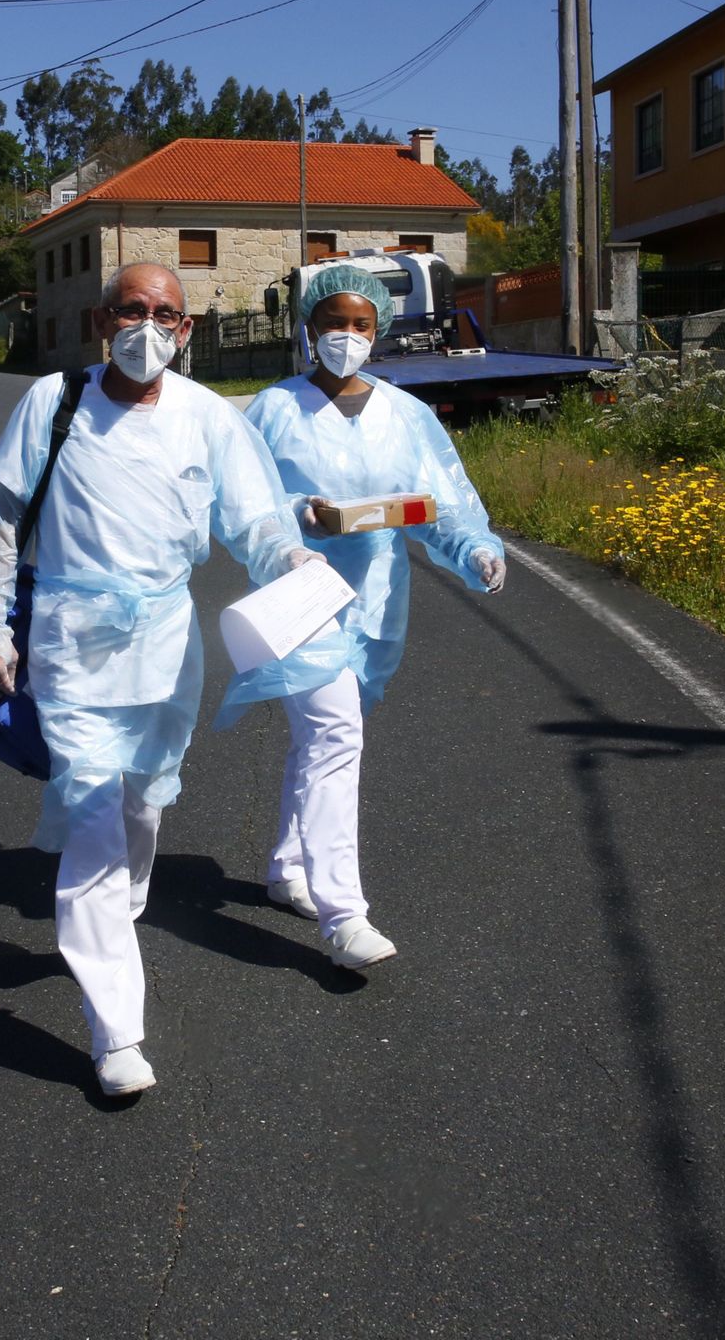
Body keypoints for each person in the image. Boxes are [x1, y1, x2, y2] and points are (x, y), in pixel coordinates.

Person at [0, 262, 312, 1099]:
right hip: (71, 645)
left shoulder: (206, 417)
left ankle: (111, 923)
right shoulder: (53, 405)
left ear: (187, 331)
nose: (147, 326)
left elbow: (254, 517)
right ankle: (115, 1027)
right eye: (131, 310)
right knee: (91, 812)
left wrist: (291, 562)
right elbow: (0, 525)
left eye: (165, 313)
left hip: (166, 642)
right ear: (100, 320)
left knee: (142, 802)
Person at [215, 262, 506, 969]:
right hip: (301, 599)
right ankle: (344, 914)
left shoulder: (403, 415)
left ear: (379, 330)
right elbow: (239, 508)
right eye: (333, 323)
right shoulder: (271, 411)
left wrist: (476, 549)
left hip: (376, 601)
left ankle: (288, 870)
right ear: (308, 328)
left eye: (360, 325)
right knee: (335, 736)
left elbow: (441, 502)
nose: (346, 336)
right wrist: (295, 520)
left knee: (322, 742)